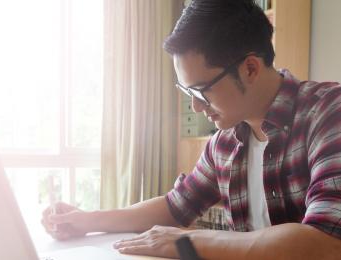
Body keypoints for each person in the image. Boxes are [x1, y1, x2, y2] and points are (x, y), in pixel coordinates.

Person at [41, 0, 341, 259]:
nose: (196, 107)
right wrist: (85, 220)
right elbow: (175, 206)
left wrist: (188, 241)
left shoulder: (328, 114)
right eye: (188, 92)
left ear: (250, 68)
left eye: (201, 90)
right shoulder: (225, 143)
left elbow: (326, 244)